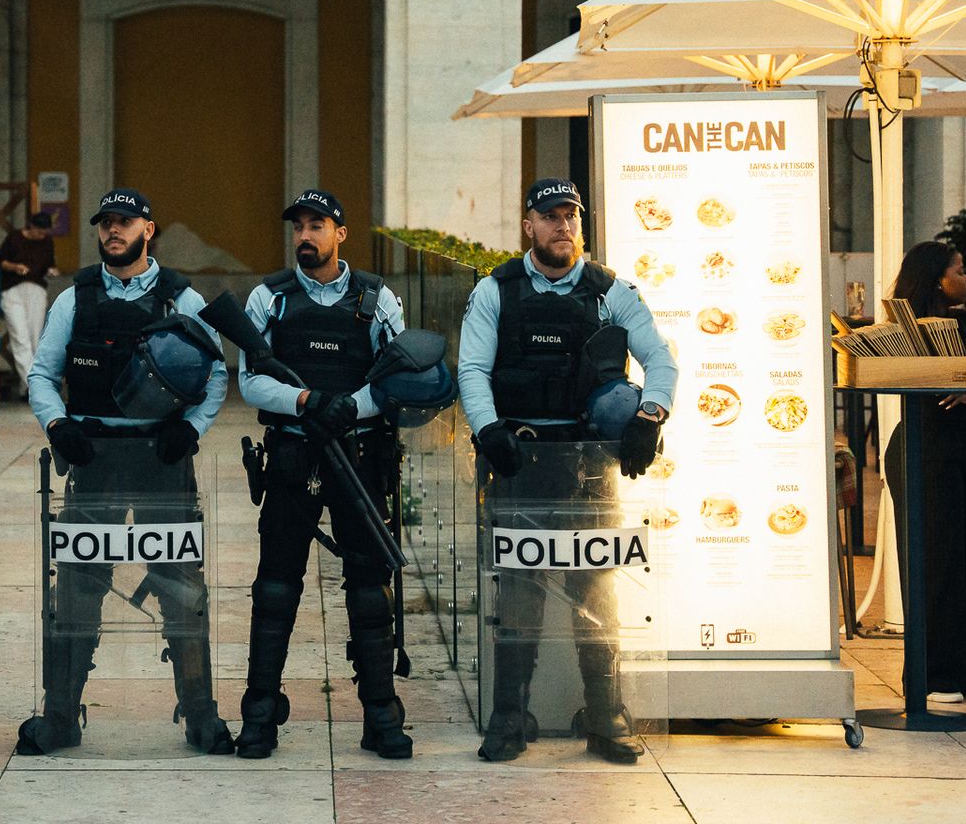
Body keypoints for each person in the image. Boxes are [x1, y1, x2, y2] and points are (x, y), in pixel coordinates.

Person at [456, 178, 676, 764]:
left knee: (598, 589)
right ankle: (509, 716)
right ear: (528, 224)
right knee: (522, 589)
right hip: (519, 461)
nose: (562, 226)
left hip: (590, 465)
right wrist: (489, 430)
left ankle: (606, 716)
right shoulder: (494, 291)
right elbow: (472, 370)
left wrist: (650, 416)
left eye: (571, 216)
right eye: (550, 216)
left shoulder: (611, 291)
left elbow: (660, 359)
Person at [19, 187, 232, 755]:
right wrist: (57, 425)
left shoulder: (180, 300)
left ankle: (201, 715)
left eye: (125, 222)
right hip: (94, 461)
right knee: (77, 590)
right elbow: (42, 374)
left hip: (162, 460)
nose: (113, 231)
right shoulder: (75, 298)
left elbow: (216, 375)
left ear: (149, 229)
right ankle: (61, 715)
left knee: (182, 588)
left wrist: (191, 429)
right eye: (106, 223)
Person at [232, 188, 412, 760]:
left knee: (367, 589)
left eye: (318, 225)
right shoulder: (269, 299)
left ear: (341, 234)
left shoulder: (379, 299)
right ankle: (259, 716)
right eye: (299, 227)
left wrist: (350, 408)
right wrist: (309, 400)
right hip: (292, 453)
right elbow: (252, 382)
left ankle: (381, 715)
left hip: (360, 458)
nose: (305, 236)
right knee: (276, 586)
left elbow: (397, 377)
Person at [882, 241, 966, 704]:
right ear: (938, 278)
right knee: (934, 561)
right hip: (922, 447)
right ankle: (930, 674)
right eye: (960, 269)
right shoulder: (903, 331)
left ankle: (963, 670)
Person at [0, 213, 58, 397]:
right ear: (30, 226)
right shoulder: (14, 238)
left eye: (44, 232)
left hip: (37, 290)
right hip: (13, 290)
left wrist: (52, 270)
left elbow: (50, 264)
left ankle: (28, 387)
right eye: (39, 232)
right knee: (20, 338)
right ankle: (36, 387)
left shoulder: (47, 242)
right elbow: (1, 262)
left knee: (35, 339)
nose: (41, 235)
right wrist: (16, 267)